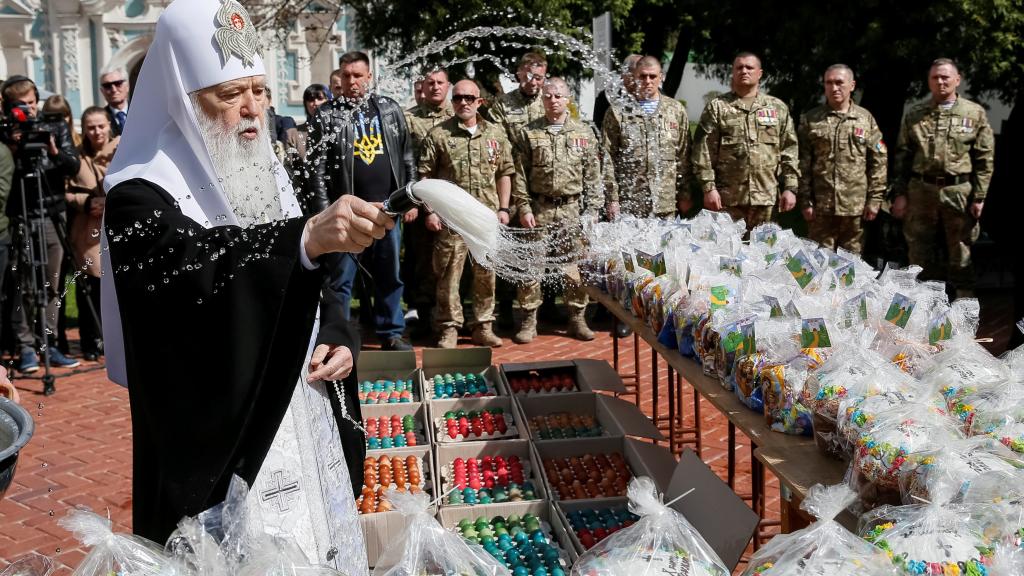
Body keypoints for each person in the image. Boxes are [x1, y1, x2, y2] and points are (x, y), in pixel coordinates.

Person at [100, 1, 392, 570]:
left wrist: (337, 333)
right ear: (184, 98)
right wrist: (303, 239)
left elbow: (310, 284)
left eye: (259, 90)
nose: (254, 110)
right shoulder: (137, 194)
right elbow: (190, 280)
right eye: (231, 94)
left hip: (301, 417)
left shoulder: (265, 167)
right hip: (221, 444)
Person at [308, 52, 417, 351]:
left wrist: (409, 199)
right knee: (341, 280)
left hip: (387, 208)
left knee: (389, 275)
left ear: (369, 76)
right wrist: (324, 212)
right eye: (346, 76)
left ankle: (391, 333)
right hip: (347, 213)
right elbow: (316, 170)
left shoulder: (389, 109)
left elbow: (407, 156)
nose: (351, 81)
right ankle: (337, 339)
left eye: (357, 75)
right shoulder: (327, 115)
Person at [419, 79, 514, 348]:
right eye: (458, 97)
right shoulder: (439, 135)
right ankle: (449, 327)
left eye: (469, 98)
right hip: (451, 220)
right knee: (448, 276)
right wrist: (431, 212)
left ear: (479, 102)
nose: (463, 102)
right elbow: (425, 176)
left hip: (485, 219)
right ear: (452, 101)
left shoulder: (495, 134)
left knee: (486, 274)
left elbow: (505, 173)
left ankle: (483, 325)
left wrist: (504, 208)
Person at [891, 58, 995, 297]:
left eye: (945, 77)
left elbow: (984, 158)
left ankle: (963, 313)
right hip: (921, 191)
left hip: (958, 192)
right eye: (935, 77)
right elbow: (902, 157)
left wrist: (979, 196)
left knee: (961, 255)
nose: (940, 81)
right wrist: (900, 194)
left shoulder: (974, 113)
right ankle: (923, 311)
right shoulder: (915, 114)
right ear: (928, 81)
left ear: (957, 80)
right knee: (919, 255)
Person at [1, 76, 81, 375]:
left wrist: (54, 150)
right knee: (22, 284)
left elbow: (73, 166)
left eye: (33, 103)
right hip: (20, 216)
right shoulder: (7, 135)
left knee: (52, 283)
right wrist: (12, 146)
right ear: (10, 107)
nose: (30, 111)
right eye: (22, 106)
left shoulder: (55, 127)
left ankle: (48, 343)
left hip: (51, 214)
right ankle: (25, 349)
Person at [512, 78, 601, 343]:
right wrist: (524, 207)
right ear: (542, 99)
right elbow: (519, 175)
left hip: (572, 209)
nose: (553, 100)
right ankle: (528, 321)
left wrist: (593, 210)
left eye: (558, 96)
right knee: (531, 268)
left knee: (574, 267)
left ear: (568, 99)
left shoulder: (583, 133)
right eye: (548, 96)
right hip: (539, 209)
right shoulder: (528, 132)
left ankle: (576, 318)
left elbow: (592, 176)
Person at [692, 52, 799, 231]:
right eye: (739, 67)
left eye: (749, 67)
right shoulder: (718, 107)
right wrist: (708, 188)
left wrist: (790, 187)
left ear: (760, 73)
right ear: (733, 73)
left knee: (765, 253)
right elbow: (702, 151)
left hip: (766, 199)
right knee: (727, 254)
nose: (744, 71)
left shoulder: (777, 108)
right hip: (727, 200)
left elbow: (789, 149)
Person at [797, 64, 887, 254]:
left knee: (851, 265)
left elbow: (878, 161)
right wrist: (805, 200)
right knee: (818, 262)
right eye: (829, 83)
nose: (834, 88)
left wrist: (875, 199)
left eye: (839, 82)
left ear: (852, 85)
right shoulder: (811, 119)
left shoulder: (865, 119)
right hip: (821, 207)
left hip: (855, 207)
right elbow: (803, 163)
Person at [601, 56, 691, 220]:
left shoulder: (675, 110)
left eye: (653, 76)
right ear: (634, 77)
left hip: (665, 203)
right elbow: (607, 158)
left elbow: (684, 155)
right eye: (642, 76)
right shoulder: (617, 112)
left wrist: (685, 193)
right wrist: (612, 199)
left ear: (661, 77)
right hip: (631, 203)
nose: (648, 81)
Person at [66, 106, 118, 361]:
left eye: (101, 126)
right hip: (88, 231)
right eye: (91, 127)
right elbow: (64, 191)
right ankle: (90, 340)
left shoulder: (122, 149)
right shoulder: (77, 157)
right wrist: (86, 202)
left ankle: (112, 340)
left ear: (109, 125)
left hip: (115, 228)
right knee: (89, 285)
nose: (96, 132)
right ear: (84, 130)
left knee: (114, 290)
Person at [403, 68, 453, 329]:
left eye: (440, 83)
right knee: (422, 261)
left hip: (452, 203)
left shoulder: (457, 116)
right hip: (421, 203)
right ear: (423, 86)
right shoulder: (409, 118)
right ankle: (423, 314)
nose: (434, 87)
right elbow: (403, 162)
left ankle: (451, 314)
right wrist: (410, 202)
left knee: (451, 261)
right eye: (429, 83)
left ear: (448, 86)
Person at [488, 51, 548, 143]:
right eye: (528, 76)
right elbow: (494, 138)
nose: (533, 82)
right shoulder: (502, 104)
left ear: (544, 78)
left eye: (538, 78)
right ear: (519, 73)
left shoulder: (551, 102)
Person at [288, 83, 330, 213]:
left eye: (320, 98)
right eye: (311, 100)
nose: (315, 103)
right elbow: (291, 169)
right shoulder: (294, 133)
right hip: (307, 197)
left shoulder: (336, 130)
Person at [592, 54, 642, 130]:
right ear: (624, 74)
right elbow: (598, 127)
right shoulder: (607, 96)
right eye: (638, 73)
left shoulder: (653, 96)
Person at [98, 67, 130, 136]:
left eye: (118, 83)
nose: (114, 89)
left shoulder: (143, 112)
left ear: (127, 86)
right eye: (107, 86)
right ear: (102, 91)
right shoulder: (99, 119)